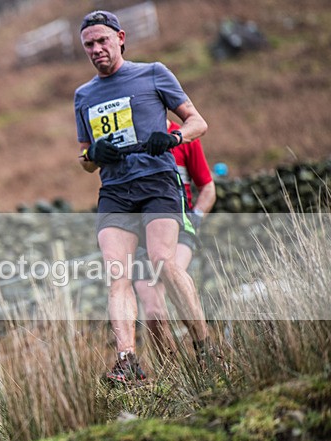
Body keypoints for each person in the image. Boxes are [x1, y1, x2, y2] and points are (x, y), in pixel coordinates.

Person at [73, 10, 211, 383]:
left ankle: (204, 347)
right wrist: (93, 156)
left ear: (120, 38)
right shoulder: (83, 95)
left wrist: (174, 137)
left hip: (157, 182)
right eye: (89, 45)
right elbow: (85, 158)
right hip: (115, 191)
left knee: (164, 261)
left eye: (103, 41)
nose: (97, 49)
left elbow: (197, 121)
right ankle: (128, 360)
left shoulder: (152, 73)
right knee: (117, 275)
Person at [133, 119, 216, 356]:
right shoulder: (128, 136)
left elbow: (208, 188)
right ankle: (171, 377)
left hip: (179, 227)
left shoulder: (182, 135)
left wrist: (196, 218)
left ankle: (206, 352)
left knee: (171, 274)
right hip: (140, 233)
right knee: (153, 312)